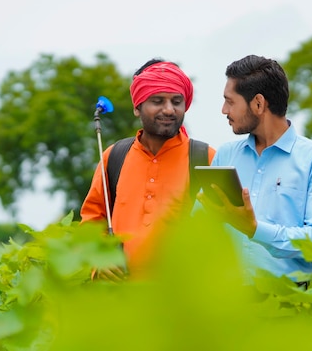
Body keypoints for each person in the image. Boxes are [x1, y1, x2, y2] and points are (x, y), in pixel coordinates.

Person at [196, 55, 312, 284]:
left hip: (289, 307)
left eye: (230, 101)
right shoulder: (225, 155)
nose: (224, 110)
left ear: (259, 104)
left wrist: (254, 229)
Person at [80, 58, 215, 281]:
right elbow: (92, 222)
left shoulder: (205, 158)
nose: (169, 109)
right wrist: (98, 262)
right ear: (137, 106)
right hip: (119, 298)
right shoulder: (114, 157)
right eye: (158, 101)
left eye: (177, 101)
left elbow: (225, 229)